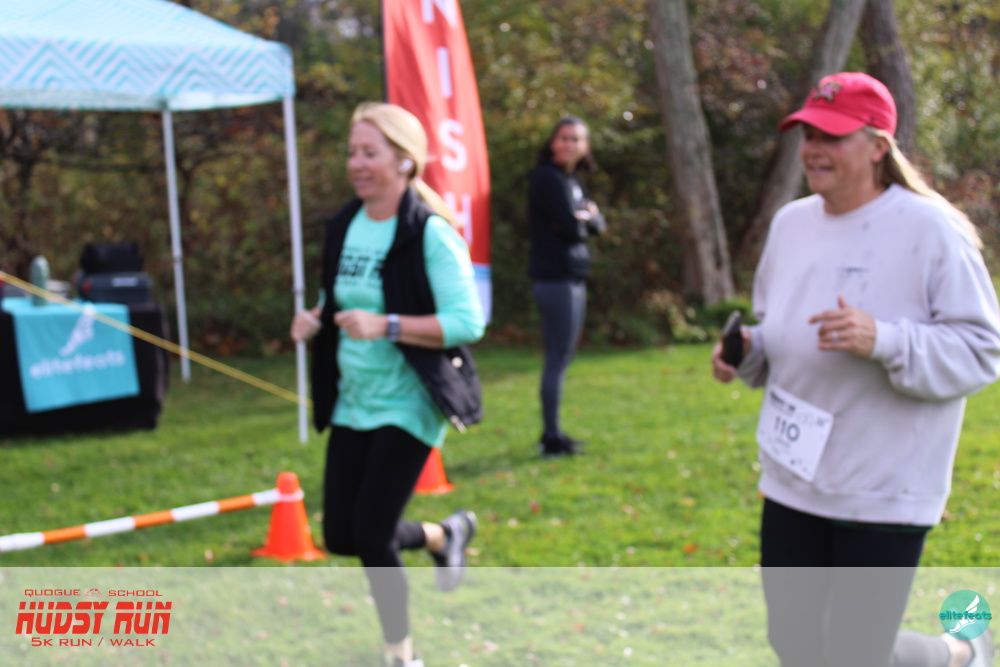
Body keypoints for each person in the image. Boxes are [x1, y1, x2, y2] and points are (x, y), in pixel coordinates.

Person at [711, 72, 1000, 666]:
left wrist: (884, 339)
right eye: (809, 134)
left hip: (884, 487)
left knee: (853, 655)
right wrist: (748, 351)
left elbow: (982, 350)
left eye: (833, 136)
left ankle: (958, 653)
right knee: (795, 645)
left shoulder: (931, 229)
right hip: (794, 478)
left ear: (877, 147)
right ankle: (958, 654)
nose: (814, 149)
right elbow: (782, 331)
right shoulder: (792, 224)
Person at [291, 102, 485, 667]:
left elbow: (467, 322)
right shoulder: (344, 225)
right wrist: (315, 318)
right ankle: (442, 535)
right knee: (341, 536)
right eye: (352, 151)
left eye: (369, 152)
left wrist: (388, 325)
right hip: (354, 400)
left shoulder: (429, 233)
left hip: (410, 400)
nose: (356, 163)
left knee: (373, 536)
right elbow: (339, 296)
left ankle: (401, 655)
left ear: (404, 161)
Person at [528, 116, 606, 457]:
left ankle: (554, 432)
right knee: (557, 356)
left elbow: (596, 223)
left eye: (576, 139)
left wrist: (587, 219)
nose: (569, 145)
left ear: (585, 146)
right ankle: (551, 436)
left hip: (573, 276)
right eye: (564, 138)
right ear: (552, 142)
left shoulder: (572, 180)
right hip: (554, 278)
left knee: (564, 355)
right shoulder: (547, 178)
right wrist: (584, 219)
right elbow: (572, 228)